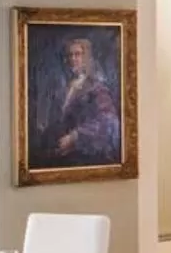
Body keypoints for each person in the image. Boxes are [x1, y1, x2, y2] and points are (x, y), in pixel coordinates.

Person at [32, 33, 122, 168]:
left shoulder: (96, 88)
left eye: (77, 54)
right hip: (60, 154)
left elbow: (109, 121)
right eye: (69, 55)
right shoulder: (63, 89)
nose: (73, 59)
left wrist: (75, 136)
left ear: (86, 58)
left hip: (85, 157)